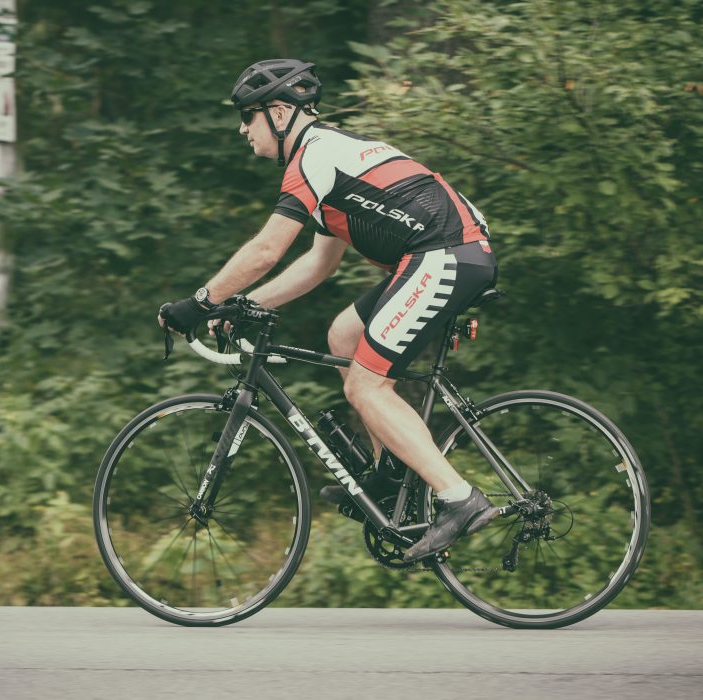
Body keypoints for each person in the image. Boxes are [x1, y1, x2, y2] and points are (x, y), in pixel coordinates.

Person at [158, 59, 499, 563]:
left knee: (366, 384)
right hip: (440, 253)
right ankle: (392, 483)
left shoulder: (315, 157)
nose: (241, 128)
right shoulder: (331, 161)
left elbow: (265, 252)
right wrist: (242, 304)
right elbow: (317, 265)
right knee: (343, 335)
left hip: (446, 253)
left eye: (247, 116)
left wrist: (200, 303)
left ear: (278, 112)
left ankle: (459, 499)